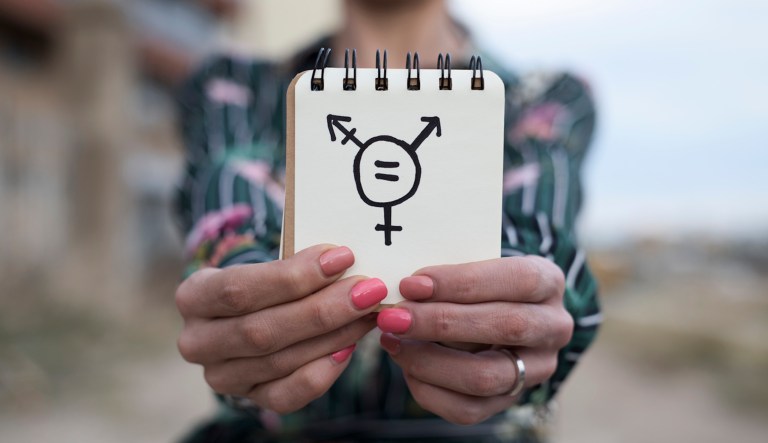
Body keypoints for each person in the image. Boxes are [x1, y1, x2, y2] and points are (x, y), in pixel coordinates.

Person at [174, 0, 600, 441]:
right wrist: (240, 309)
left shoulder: (544, 98)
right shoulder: (234, 87)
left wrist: (521, 316)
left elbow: (542, 242)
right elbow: (231, 233)